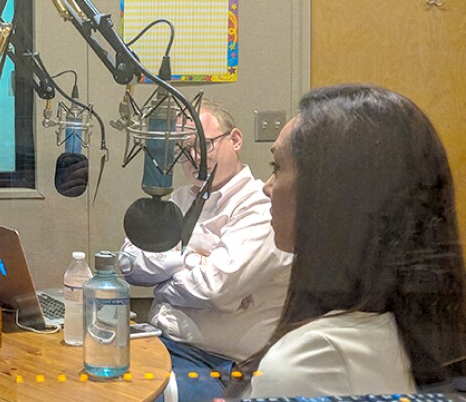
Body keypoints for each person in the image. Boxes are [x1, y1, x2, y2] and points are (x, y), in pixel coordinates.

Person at [246, 84, 466, 396]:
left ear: (334, 197)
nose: (267, 187)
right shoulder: (421, 333)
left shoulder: (310, 364)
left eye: (276, 168)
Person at [121, 99, 292, 401]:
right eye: (182, 151)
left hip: (218, 363)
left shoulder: (260, 205)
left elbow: (215, 289)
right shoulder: (179, 199)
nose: (194, 158)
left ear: (235, 140)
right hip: (160, 341)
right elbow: (129, 260)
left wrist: (162, 281)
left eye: (203, 144)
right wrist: (191, 261)